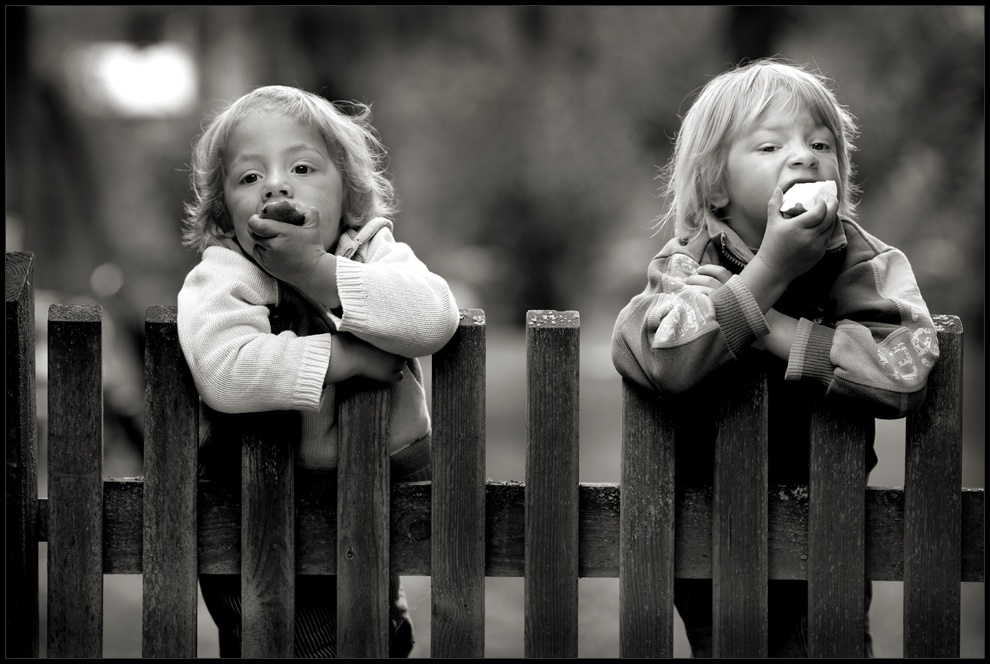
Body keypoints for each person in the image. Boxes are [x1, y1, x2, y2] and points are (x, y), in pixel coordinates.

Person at [611, 58, 939, 657]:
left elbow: (904, 372)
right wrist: (769, 274)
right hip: (706, 534)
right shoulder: (686, 265)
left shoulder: (864, 263)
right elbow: (668, 362)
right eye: (770, 145)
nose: (804, 156)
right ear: (716, 185)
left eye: (820, 143)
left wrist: (771, 328)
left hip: (827, 532)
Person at [177, 85, 459, 657]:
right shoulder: (225, 272)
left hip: (365, 498)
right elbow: (225, 369)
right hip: (256, 514)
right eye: (249, 178)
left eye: (302, 167)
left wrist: (316, 270)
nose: (277, 185)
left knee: (373, 629)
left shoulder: (370, 249)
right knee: (294, 642)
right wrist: (345, 357)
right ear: (224, 211)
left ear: (348, 192)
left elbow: (433, 317)